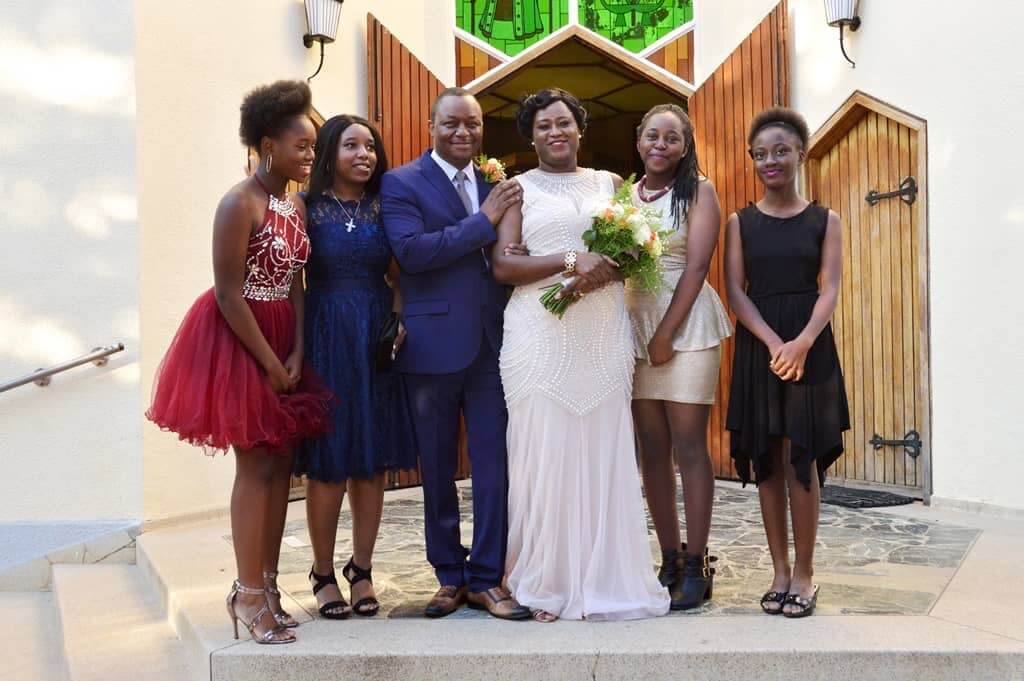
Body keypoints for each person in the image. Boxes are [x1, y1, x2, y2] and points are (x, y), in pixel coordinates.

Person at [146, 80, 331, 643]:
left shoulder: (294, 204)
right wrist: (270, 364)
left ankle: (267, 586)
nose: (310, 156)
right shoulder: (238, 202)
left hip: (283, 336)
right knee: (255, 469)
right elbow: (228, 293)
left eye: (314, 146)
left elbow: (297, 280)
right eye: (302, 145)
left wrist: (297, 350)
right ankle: (248, 595)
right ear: (268, 144)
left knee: (281, 469)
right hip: (240, 336)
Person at [490, 88, 670, 622]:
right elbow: (503, 267)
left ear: (579, 128)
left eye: (564, 122)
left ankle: (604, 577)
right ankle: (547, 578)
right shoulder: (515, 189)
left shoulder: (611, 184)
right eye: (544, 125)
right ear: (530, 134)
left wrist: (589, 276)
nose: (555, 132)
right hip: (539, 335)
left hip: (600, 329)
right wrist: (572, 259)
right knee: (544, 449)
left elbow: (636, 251)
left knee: (602, 447)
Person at [380, 87, 530, 620]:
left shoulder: (496, 182)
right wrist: (482, 221)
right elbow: (413, 254)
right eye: (451, 124)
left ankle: (488, 578)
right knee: (438, 469)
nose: (463, 133)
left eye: (472, 124)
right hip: (430, 345)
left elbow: (507, 256)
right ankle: (449, 575)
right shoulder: (399, 182)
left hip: (493, 345)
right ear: (431, 125)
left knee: (494, 467)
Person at [724, 107, 850, 618]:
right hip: (761, 344)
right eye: (760, 154)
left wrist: (799, 343)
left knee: (803, 460)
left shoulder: (826, 219)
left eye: (780, 151)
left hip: (809, 344)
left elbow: (831, 288)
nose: (769, 161)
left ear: (800, 153)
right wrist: (776, 343)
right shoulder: (740, 221)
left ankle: (805, 574)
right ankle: (778, 570)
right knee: (768, 458)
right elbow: (735, 290)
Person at [294, 115, 417, 619]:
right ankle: (322, 573)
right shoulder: (306, 207)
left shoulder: (385, 207)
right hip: (325, 338)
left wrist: (399, 317)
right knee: (328, 466)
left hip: (374, 342)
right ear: (329, 153)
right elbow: (291, 279)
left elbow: (400, 273)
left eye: (370, 146)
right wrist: (297, 346)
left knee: (370, 466)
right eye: (352, 146)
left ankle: (361, 571)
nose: (364, 154)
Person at [626, 103, 732, 610]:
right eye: (652, 135)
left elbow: (696, 266)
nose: (660, 145)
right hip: (635, 323)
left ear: (685, 146)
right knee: (651, 448)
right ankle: (667, 556)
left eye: (672, 137)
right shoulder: (625, 198)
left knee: (688, 444)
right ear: (639, 140)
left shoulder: (699, 192)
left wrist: (667, 333)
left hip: (685, 325)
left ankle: (697, 560)